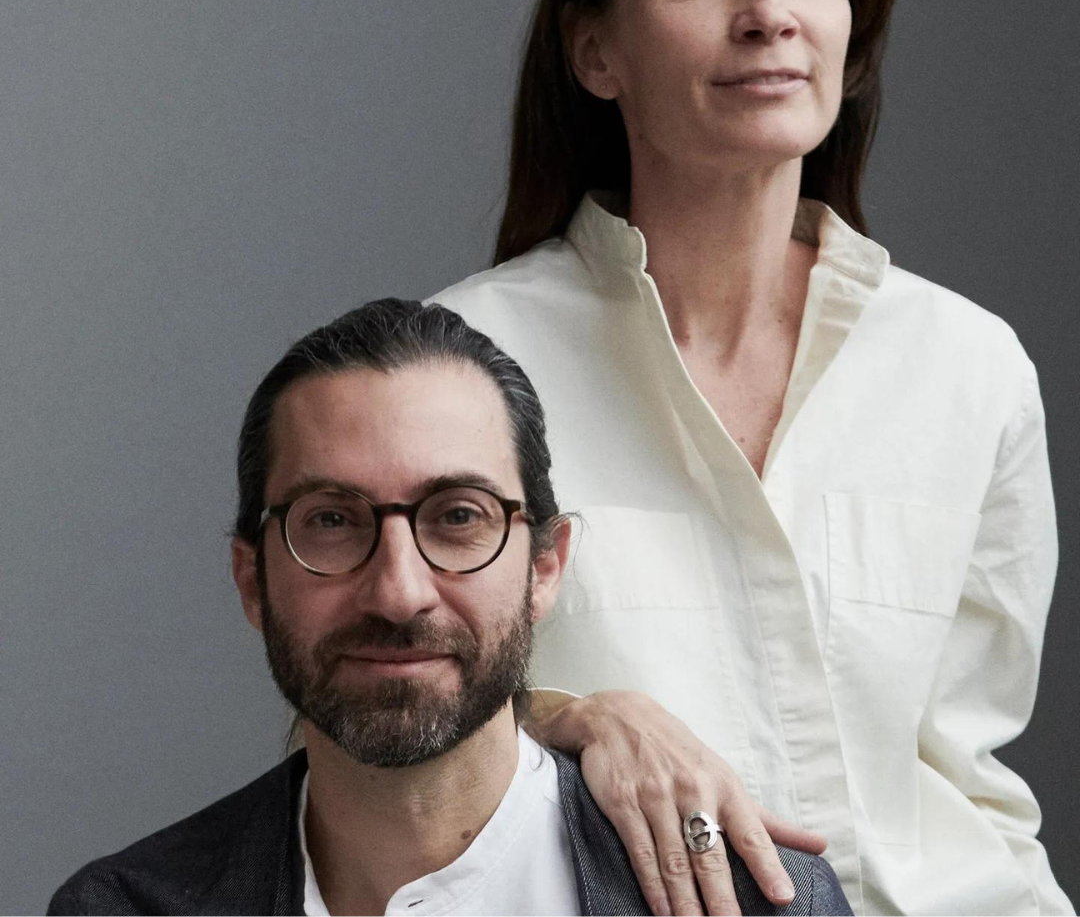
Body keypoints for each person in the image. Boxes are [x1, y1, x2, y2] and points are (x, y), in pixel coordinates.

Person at [429, 0, 1073, 914]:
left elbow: (970, 780)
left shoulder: (969, 367)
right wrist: (571, 720)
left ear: (850, 33)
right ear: (596, 50)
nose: (768, 11)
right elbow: (356, 729)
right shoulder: (458, 365)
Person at [47, 300, 850, 916]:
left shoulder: (761, 906)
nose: (398, 592)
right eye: (332, 521)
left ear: (545, 567)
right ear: (252, 578)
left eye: (458, 516)